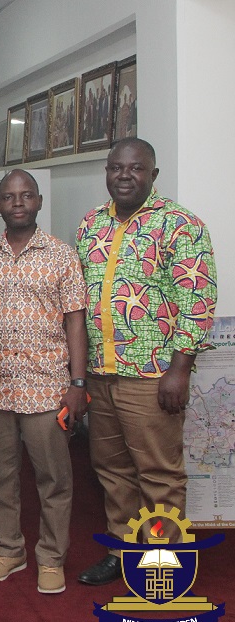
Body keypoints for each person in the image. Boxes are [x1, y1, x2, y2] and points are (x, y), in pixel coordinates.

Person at [75, 138, 218, 586]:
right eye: (116, 167)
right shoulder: (90, 225)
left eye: (135, 168)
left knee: (158, 474)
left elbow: (197, 300)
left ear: (153, 174)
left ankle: (160, 566)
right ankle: (122, 550)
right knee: (112, 471)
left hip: (152, 374)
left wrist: (180, 368)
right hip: (100, 373)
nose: (124, 175)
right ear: (106, 171)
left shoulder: (180, 225)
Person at [0, 169, 87, 595]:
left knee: (53, 478)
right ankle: (8, 549)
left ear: (39, 202)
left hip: (47, 385)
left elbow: (76, 322)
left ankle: (51, 556)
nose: (18, 203)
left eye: (26, 196)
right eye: (9, 196)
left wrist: (77, 382)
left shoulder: (62, 255)